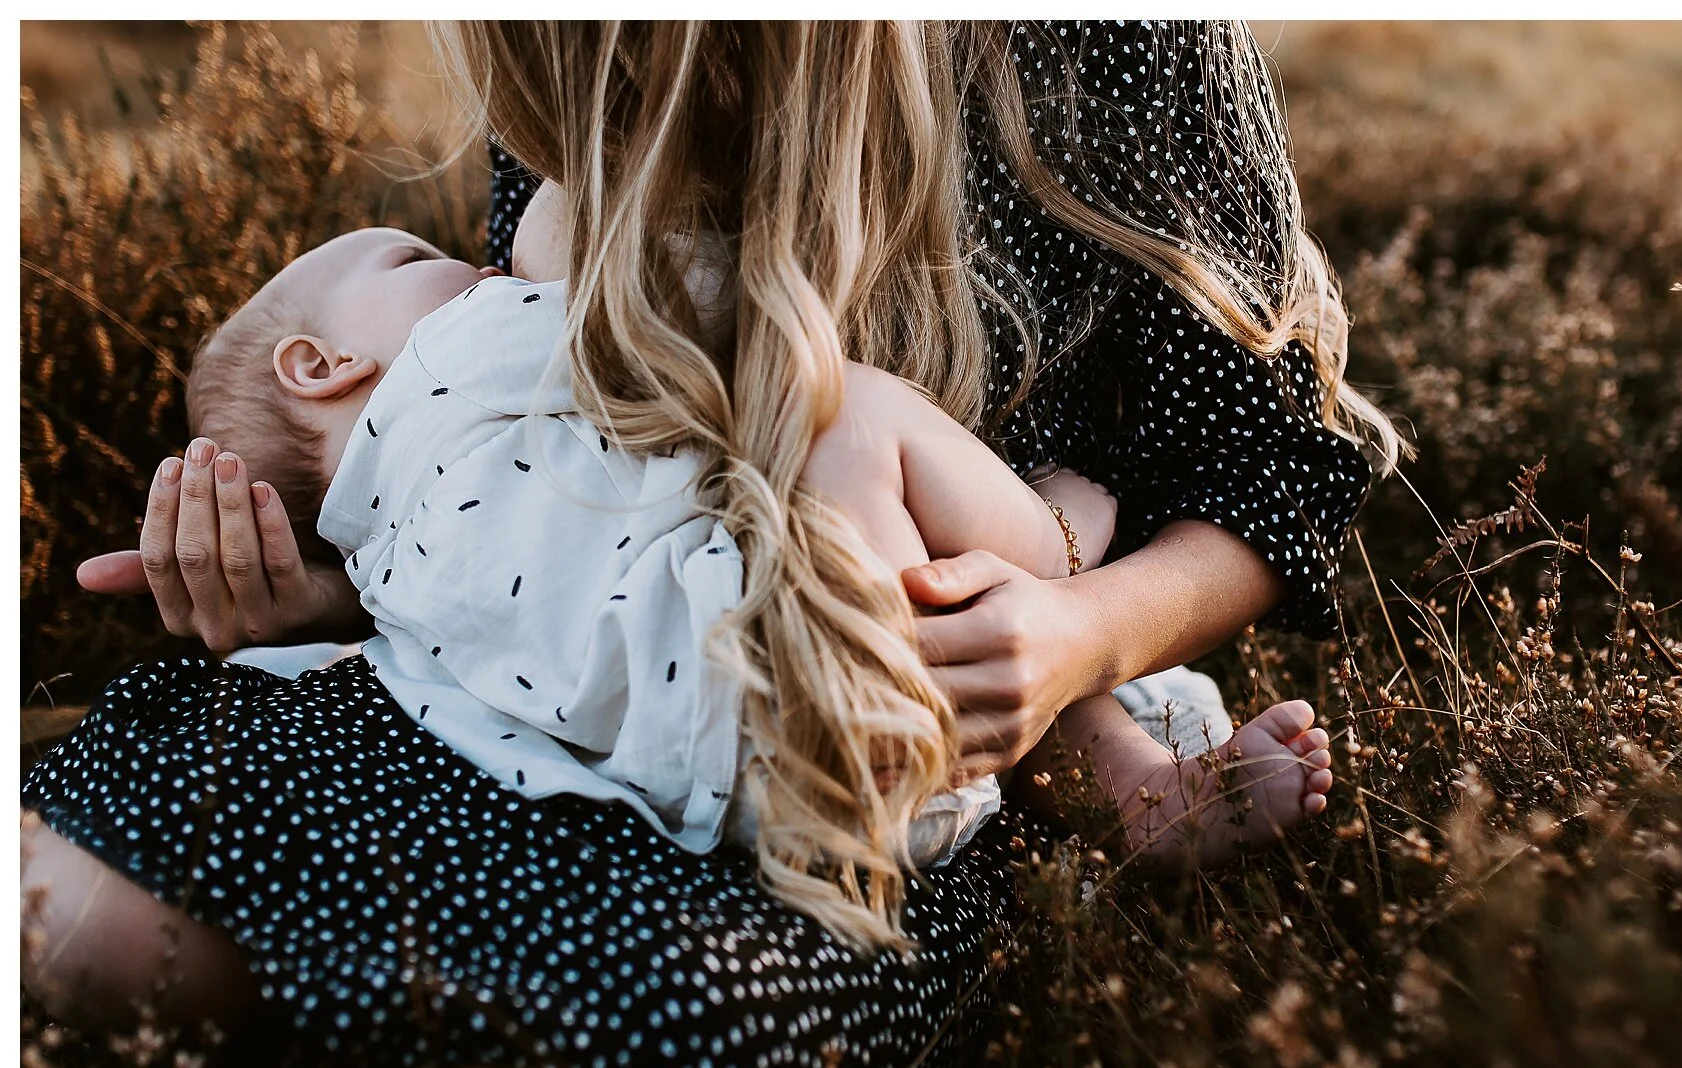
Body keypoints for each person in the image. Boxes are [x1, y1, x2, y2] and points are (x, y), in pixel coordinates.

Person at [30, 21, 1400, 1068]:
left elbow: (1269, 467)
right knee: (57, 903)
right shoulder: (585, 85)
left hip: (872, 714)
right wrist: (329, 598)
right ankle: (425, 1047)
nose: (456, 262)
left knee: (676, 1043)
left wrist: (1077, 626)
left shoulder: (1110, 44)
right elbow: (553, 497)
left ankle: (431, 1043)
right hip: (540, 721)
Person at [175, 218, 1334, 946]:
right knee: (843, 411)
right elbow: (697, 277)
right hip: (868, 677)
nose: (460, 261)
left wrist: (306, 604)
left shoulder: (391, 572)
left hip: (739, 817)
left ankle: (1115, 781)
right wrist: (544, 250)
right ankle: (1056, 538)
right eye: (413, 258)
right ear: (320, 364)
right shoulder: (462, 344)